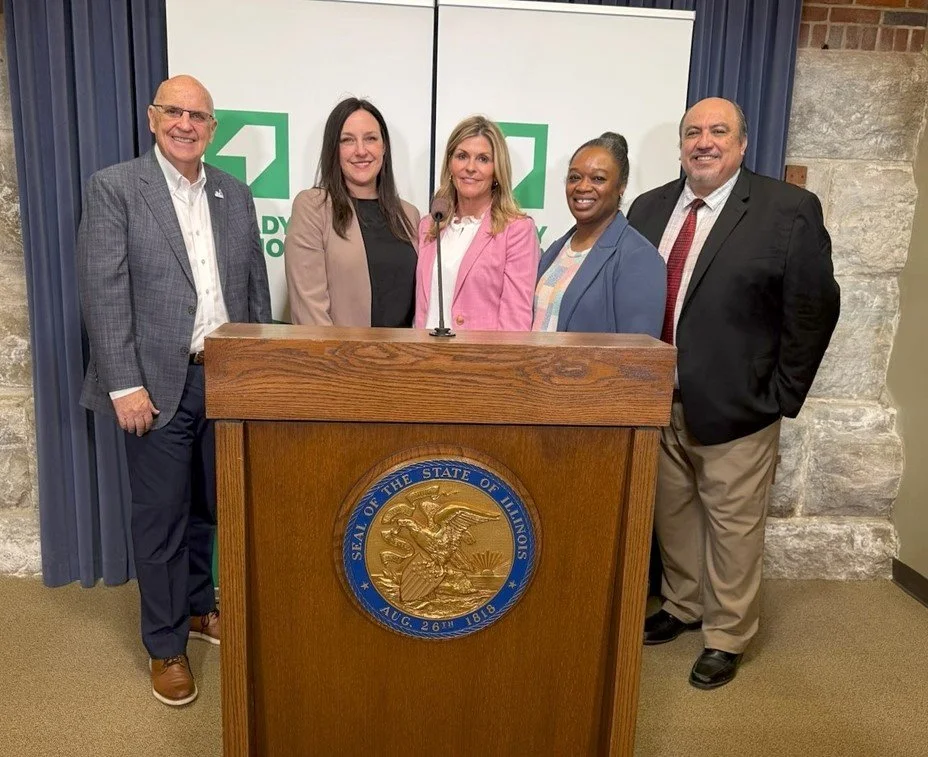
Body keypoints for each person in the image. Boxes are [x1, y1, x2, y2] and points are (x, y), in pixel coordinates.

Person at [626, 97, 840, 689]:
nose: (704, 141)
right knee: (673, 515)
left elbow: (814, 307)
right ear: (681, 144)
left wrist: (780, 394)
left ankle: (726, 634)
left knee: (733, 525)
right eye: (693, 131)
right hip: (656, 398)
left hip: (740, 403)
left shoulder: (786, 209)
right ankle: (683, 603)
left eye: (719, 131)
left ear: (742, 144)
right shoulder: (648, 208)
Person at [76, 75, 272, 706]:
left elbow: (253, 290)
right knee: (160, 518)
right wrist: (123, 385)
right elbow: (103, 292)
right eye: (175, 112)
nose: (187, 124)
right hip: (154, 384)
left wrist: (257, 372)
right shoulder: (117, 188)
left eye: (200, 115)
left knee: (212, 507)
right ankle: (165, 645)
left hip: (226, 377)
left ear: (213, 128)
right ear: (154, 118)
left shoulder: (234, 194)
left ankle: (195, 607)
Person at [285, 98, 420, 327]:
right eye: (347, 140)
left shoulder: (410, 215)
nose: (361, 150)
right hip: (339, 359)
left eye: (370, 139)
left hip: (406, 360)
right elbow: (310, 312)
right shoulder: (313, 207)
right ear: (333, 150)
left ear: (384, 146)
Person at [534, 132, 665, 336]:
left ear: (621, 186)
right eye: (575, 177)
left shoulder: (638, 257)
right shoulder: (557, 250)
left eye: (598, 179)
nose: (583, 187)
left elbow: (638, 358)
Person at [415, 116, 539, 331]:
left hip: (481, 361)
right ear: (450, 164)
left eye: (483, 159)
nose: (470, 167)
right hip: (424, 359)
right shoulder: (430, 225)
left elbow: (515, 322)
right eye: (462, 156)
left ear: (497, 170)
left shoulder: (517, 230)